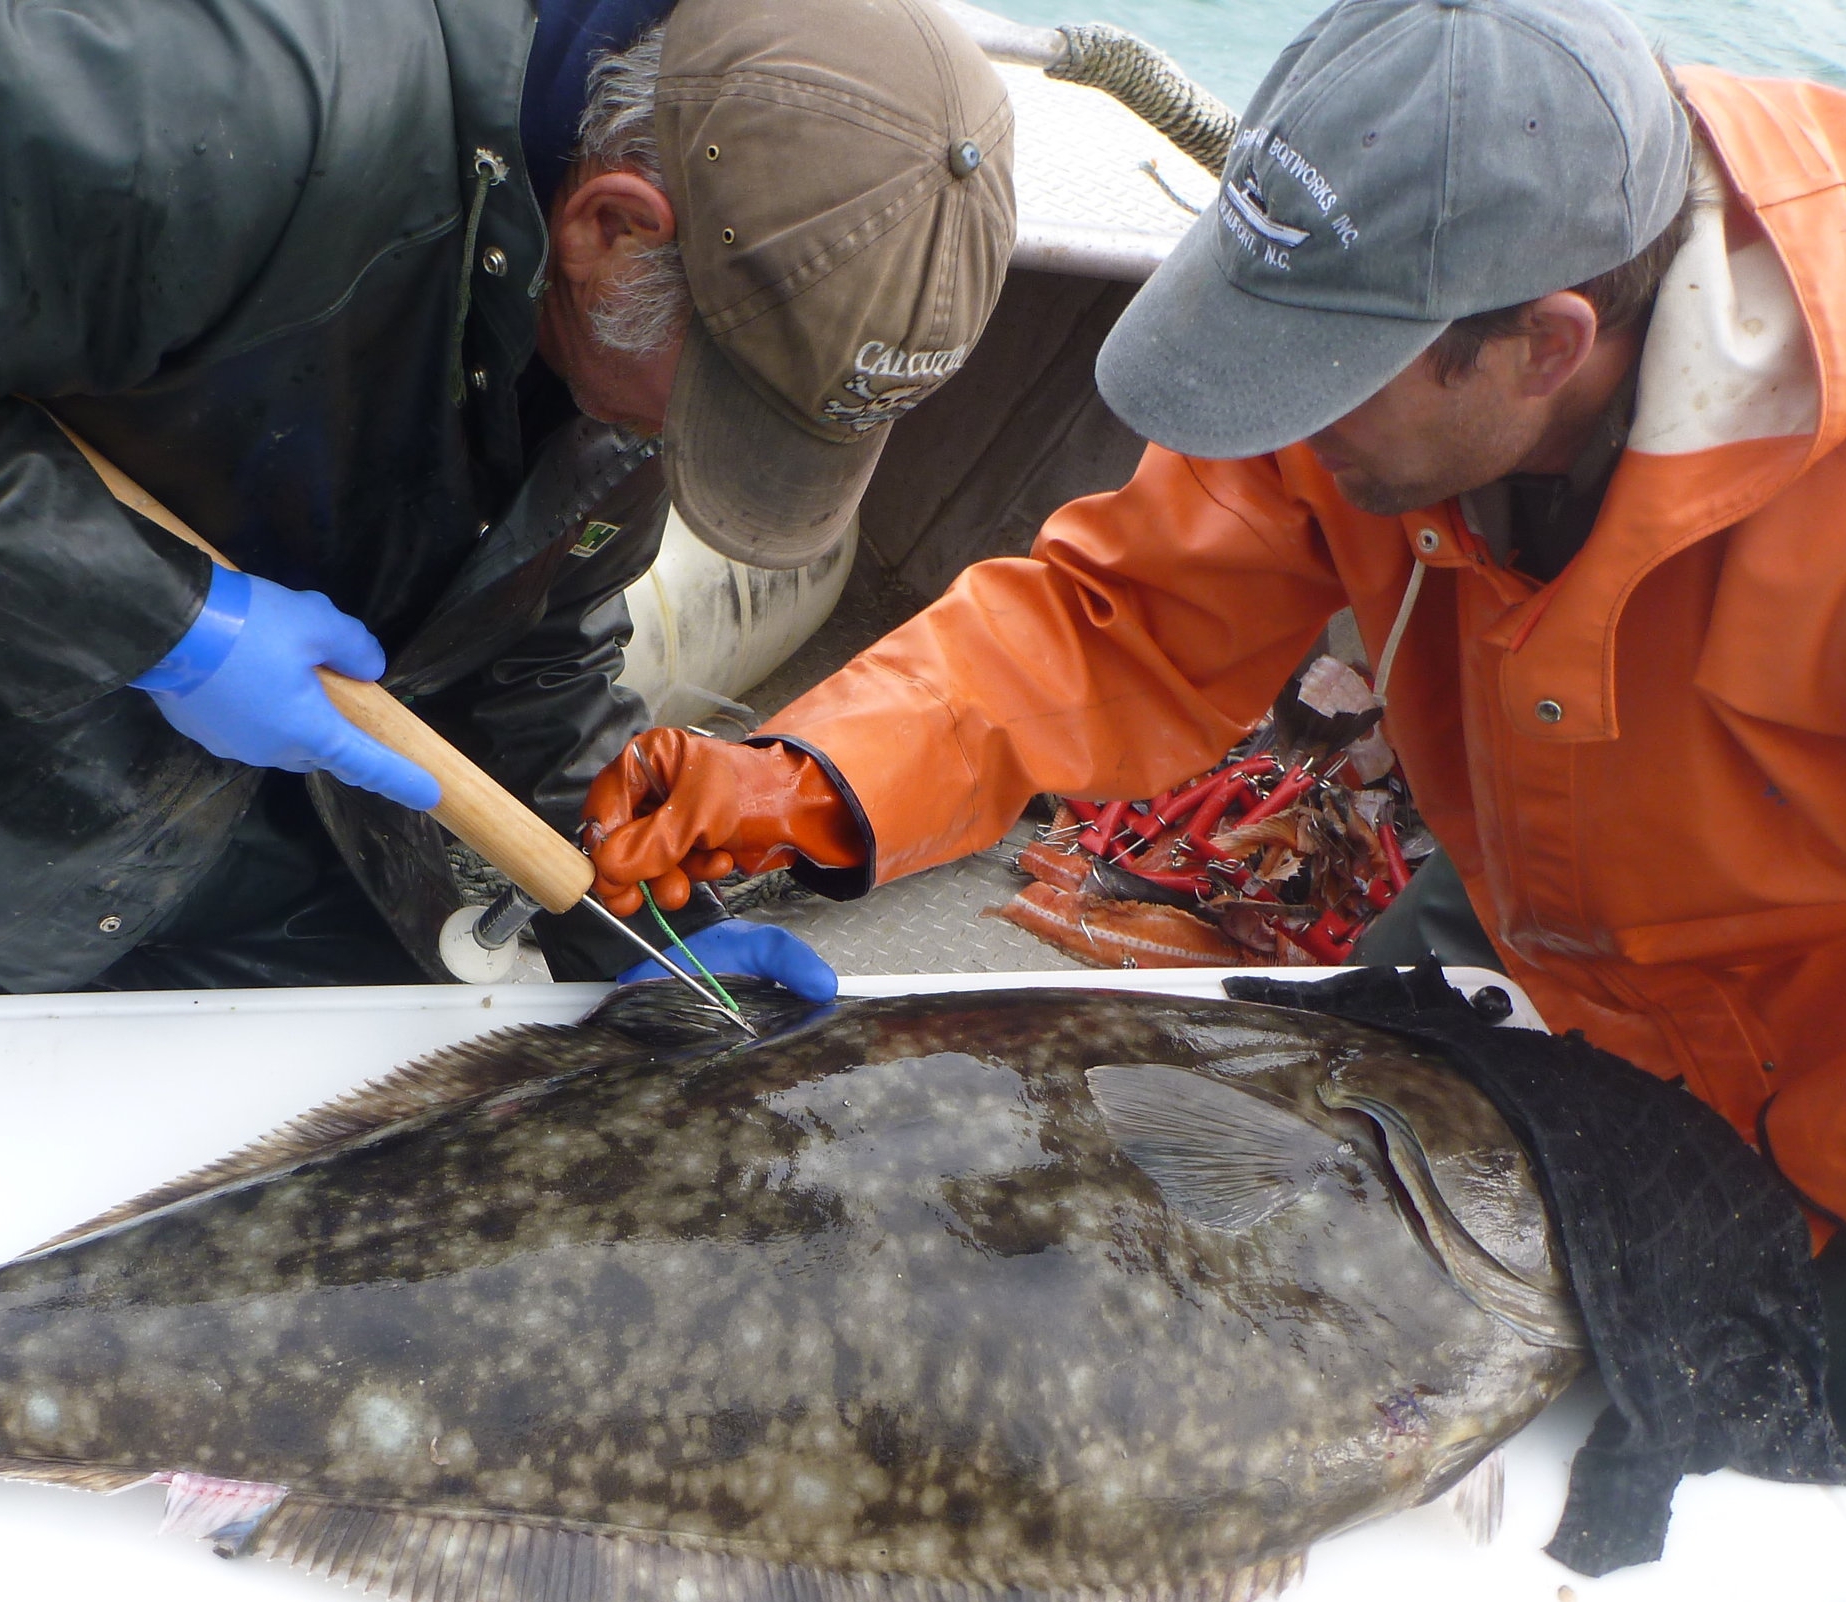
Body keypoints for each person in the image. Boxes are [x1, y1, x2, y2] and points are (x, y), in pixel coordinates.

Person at [0, 0, 1015, 1228]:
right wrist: (171, 620)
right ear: (614, 226)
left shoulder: (631, 299)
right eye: (717, 411)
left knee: (355, 1201)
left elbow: (538, 620)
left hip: (206, 750)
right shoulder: (217, 82)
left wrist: (616, 905)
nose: (696, 460)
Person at [586, 0, 1846, 1246]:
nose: (1279, 418)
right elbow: (1119, 616)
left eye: (1326, 379)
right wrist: (806, 781)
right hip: (1532, 896)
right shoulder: (1383, 356)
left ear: (1541, 349)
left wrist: (1780, 1224)